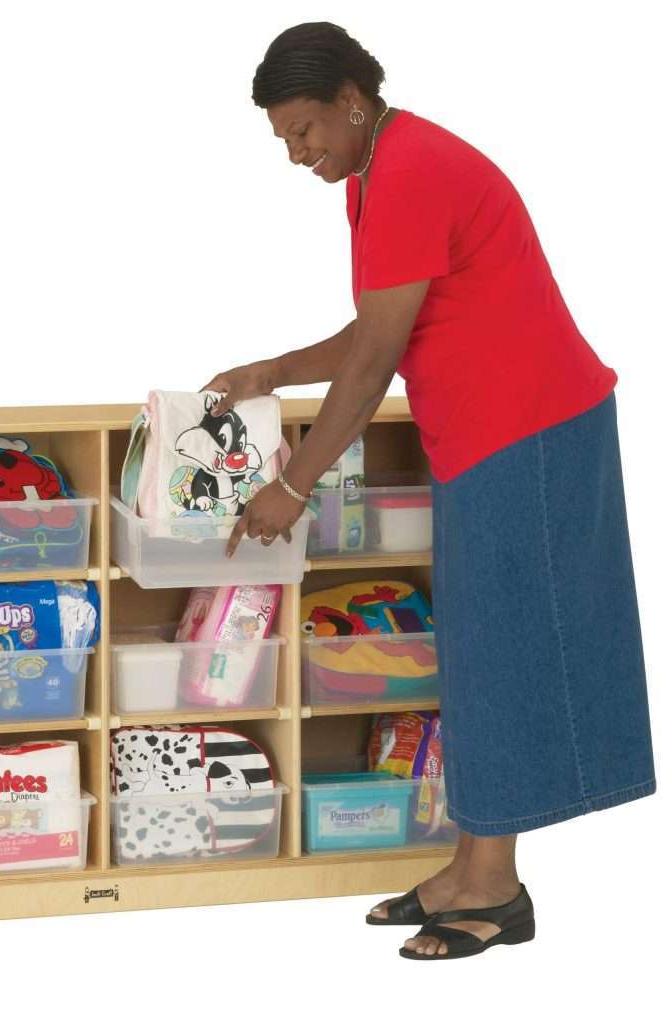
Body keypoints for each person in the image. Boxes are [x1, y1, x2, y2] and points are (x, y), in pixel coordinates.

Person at [203, 21, 656, 961]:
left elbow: (374, 363)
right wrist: (271, 371)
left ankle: (494, 890)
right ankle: (472, 868)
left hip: (528, 430)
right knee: (480, 654)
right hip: (488, 433)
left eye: (303, 131)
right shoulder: (377, 170)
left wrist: (292, 485)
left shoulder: (408, 171)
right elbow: (383, 326)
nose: (296, 154)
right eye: (283, 139)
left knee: (507, 654)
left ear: (351, 102)